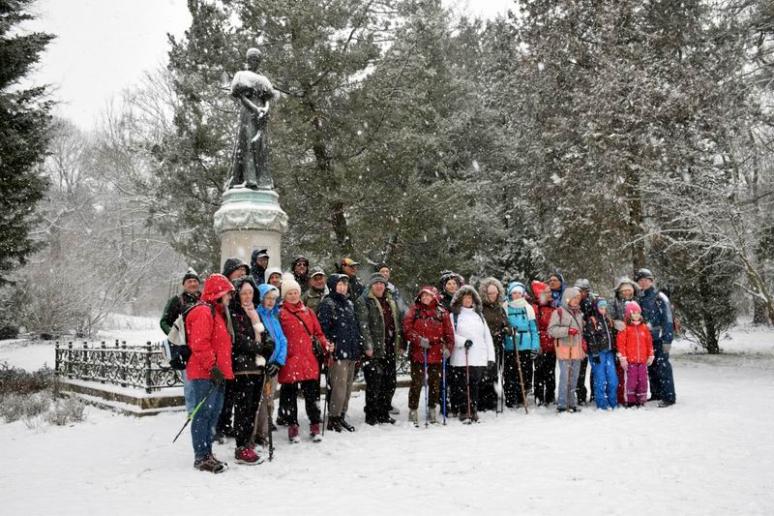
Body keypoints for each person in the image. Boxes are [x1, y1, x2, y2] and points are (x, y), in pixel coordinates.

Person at [184, 273, 234, 473]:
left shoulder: (216, 312)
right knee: (203, 414)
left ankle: (207, 453)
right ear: (218, 293)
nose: (229, 297)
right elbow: (199, 343)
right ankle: (201, 456)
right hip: (205, 373)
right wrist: (212, 366)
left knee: (212, 414)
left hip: (215, 374)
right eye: (227, 293)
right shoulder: (205, 312)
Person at [278, 274, 333, 443]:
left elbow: (318, 333)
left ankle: (314, 425)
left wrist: (325, 345)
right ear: (284, 296)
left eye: (295, 292)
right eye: (289, 293)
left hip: (309, 360)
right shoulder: (281, 314)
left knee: (313, 396)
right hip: (290, 361)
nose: (293, 296)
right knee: (289, 397)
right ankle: (292, 426)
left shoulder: (308, 312)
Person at [228, 277, 272, 464]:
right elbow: (237, 339)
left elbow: (264, 335)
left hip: (257, 368)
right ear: (237, 294)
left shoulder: (255, 313)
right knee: (243, 409)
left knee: (253, 408)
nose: (247, 296)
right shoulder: (233, 313)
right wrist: (258, 347)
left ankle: (247, 443)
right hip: (242, 368)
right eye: (244, 293)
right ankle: (241, 447)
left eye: (250, 293)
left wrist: (269, 344)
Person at [402, 285, 455, 425]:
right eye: (423, 295)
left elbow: (449, 333)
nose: (425, 298)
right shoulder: (414, 310)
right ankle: (413, 409)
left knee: (435, 383)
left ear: (434, 297)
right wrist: (418, 340)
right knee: (416, 383)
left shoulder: (442, 312)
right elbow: (407, 330)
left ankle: (432, 408)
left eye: (429, 295)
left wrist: (448, 348)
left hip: (437, 352)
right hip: (419, 352)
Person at [356, 273, 402, 425]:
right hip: (374, 350)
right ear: (371, 285)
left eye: (381, 283)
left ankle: (383, 413)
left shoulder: (391, 300)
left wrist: (400, 344)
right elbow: (363, 325)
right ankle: (371, 415)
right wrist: (367, 345)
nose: (379, 286)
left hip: (389, 347)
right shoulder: (364, 301)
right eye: (376, 283)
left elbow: (397, 324)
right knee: (374, 384)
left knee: (389, 383)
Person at [318, 274, 361, 432]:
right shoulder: (328, 304)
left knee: (348, 386)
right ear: (332, 285)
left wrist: (358, 347)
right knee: (339, 387)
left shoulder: (349, 303)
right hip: (337, 352)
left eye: (345, 284)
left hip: (350, 351)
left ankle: (342, 414)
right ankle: (334, 417)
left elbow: (354, 327)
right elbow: (323, 328)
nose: (343, 287)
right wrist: (329, 343)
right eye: (339, 284)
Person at [228, 47, 275, 190]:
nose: (254, 62)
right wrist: (255, 109)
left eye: (257, 60)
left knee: (261, 147)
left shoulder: (264, 79)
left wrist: (265, 109)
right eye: (252, 59)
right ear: (247, 60)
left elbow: (267, 98)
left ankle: (264, 180)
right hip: (248, 112)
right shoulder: (241, 75)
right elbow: (241, 96)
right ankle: (250, 179)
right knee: (247, 144)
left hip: (262, 114)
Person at [215, 258, 251, 441]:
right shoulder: (224, 294)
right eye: (238, 270)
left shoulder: (245, 292)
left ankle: (227, 424)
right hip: (226, 353)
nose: (242, 273)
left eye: (244, 270)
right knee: (224, 393)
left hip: (237, 356)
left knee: (233, 395)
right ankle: (220, 426)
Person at [449, 285, 496, 423]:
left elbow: (487, 337)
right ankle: (464, 411)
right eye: (465, 298)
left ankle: (473, 410)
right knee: (462, 385)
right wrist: (463, 341)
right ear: (459, 300)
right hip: (462, 356)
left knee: (474, 385)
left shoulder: (479, 316)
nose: (468, 300)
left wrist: (490, 357)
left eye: (470, 298)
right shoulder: (454, 316)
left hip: (478, 356)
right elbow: (450, 335)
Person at [160, 268, 200, 412]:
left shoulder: (203, 299)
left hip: (202, 348)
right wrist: (175, 337)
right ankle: (191, 413)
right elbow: (164, 321)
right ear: (184, 284)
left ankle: (201, 413)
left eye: (195, 281)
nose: (193, 284)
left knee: (202, 384)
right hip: (185, 350)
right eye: (189, 281)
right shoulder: (176, 301)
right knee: (189, 384)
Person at [635, 268, 676, 407]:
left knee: (663, 366)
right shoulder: (639, 299)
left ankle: (669, 396)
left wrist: (667, 339)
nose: (643, 282)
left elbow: (668, 318)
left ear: (651, 281)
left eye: (646, 280)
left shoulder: (660, 297)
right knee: (651, 367)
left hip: (659, 338)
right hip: (646, 340)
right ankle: (656, 393)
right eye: (640, 280)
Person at [255, 283, 287, 440]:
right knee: (258, 401)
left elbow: (282, 340)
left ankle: (264, 432)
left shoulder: (274, 317)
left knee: (269, 401)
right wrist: (263, 361)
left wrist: (278, 362)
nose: (270, 301)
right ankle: (254, 434)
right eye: (267, 298)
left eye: (273, 298)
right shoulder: (256, 316)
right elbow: (257, 342)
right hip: (260, 366)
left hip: (273, 366)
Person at [548, 286, 585, 413]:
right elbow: (551, 330)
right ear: (567, 298)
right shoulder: (559, 312)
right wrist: (567, 331)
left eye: (578, 298)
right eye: (574, 298)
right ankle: (562, 404)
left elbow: (581, 332)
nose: (576, 301)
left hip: (577, 349)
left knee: (574, 378)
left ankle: (572, 402)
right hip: (564, 348)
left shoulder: (579, 313)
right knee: (565, 377)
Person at [503, 282, 539, 408]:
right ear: (510, 294)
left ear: (523, 294)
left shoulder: (528, 308)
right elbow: (503, 325)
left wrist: (535, 346)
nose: (516, 295)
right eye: (514, 293)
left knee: (525, 372)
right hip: (511, 345)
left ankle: (521, 397)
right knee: (510, 373)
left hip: (526, 345)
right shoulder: (505, 307)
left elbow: (534, 329)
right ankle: (510, 397)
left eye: (519, 293)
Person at [616, 301, 654, 407]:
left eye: (638, 313)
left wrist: (650, 355)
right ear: (629, 314)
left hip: (642, 361)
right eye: (634, 313)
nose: (636, 315)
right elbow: (621, 344)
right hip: (631, 361)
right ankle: (631, 400)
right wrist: (623, 358)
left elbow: (649, 342)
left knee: (643, 380)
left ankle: (641, 400)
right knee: (632, 381)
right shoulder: (625, 328)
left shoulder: (644, 328)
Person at [478, 277, 508, 412]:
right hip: (483, 346)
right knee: (484, 372)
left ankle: (492, 398)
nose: (493, 296)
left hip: (497, 344)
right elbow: (479, 326)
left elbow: (505, 323)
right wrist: (491, 333)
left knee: (494, 372)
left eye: (495, 293)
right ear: (485, 293)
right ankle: (482, 400)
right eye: (490, 293)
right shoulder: (480, 308)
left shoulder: (500, 308)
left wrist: (506, 330)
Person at [610, 277, 640, 405]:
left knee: (635, 372)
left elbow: (644, 317)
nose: (627, 293)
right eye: (624, 291)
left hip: (635, 342)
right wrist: (616, 323)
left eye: (629, 290)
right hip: (619, 340)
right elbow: (609, 317)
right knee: (619, 370)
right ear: (619, 292)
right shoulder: (614, 302)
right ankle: (620, 397)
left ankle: (634, 396)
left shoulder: (638, 302)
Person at [584, 297, 618, 410]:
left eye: (604, 307)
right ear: (596, 308)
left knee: (613, 379)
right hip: (598, 354)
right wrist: (594, 353)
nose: (603, 309)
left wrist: (616, 351)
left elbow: (613, 335)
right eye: (600, 307)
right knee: (600, 379)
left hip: (609, 352)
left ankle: (613, 402)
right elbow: (590, 338)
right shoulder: (592, 320)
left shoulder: (608, 319)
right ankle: (601, 404)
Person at [532, 280, 557, 406]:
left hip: (552, 345)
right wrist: (538, 344)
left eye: (549, 292)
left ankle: (550, 396)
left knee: (551, 372)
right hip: (540, 345)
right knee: (539, 372)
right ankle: (539, 396)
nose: (549, 294)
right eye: (546, 292)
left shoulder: (553, 307)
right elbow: (535, 327)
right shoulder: (535, 308)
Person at [574, 278, 595, 405]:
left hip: (589, 341)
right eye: (579, 291)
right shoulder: (572, 302)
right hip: (576, 341)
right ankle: (580, 395)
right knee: (578, 371)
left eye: (584, 291)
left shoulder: (590, 303)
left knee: (591, 369)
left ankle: (592, 394)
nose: (581, 294)